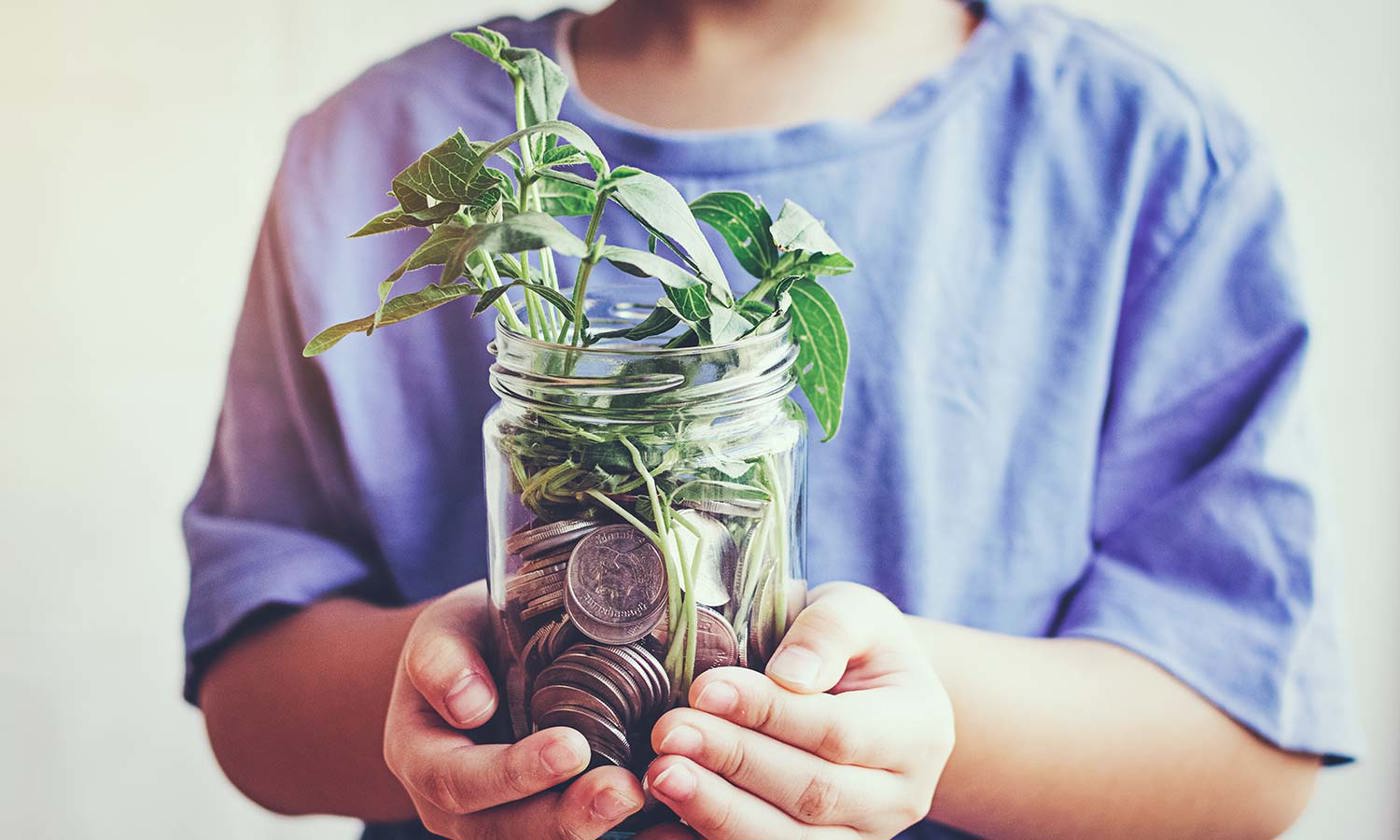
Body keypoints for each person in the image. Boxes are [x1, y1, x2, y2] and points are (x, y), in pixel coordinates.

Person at [184, 1, 1358, 838]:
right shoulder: (372, 154)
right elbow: (250, 691)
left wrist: (911, 720)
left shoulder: (1150, 153)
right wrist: (454, 692)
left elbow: (1247, 757)